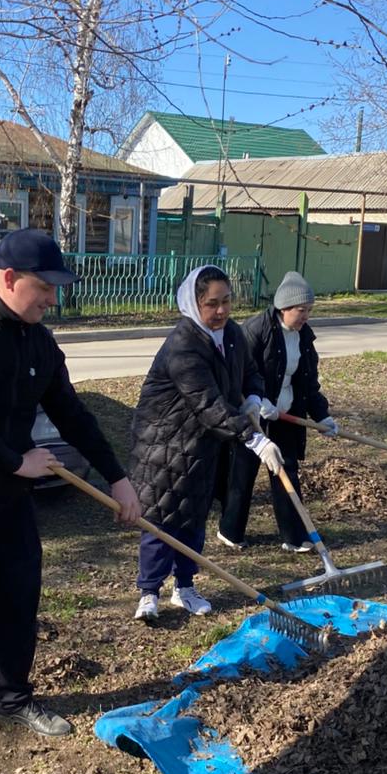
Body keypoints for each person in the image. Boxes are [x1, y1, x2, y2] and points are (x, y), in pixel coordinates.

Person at [0, 228, 141, 738]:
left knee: (18, 603)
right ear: (9, 278)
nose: (54, 299)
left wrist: (118, 478)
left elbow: (72, 413)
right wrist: (18, 461)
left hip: (7, 505)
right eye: (45, 287)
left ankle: (12, 699)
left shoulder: (38, 339)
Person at [129, 264, 283, 623]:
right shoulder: (184, 345)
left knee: (194, 517)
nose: (222, 310)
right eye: (212, 304)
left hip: (203, 444)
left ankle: (184, 588)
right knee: (162, 519)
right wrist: (254, 439)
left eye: (227, 301)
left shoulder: (231, 334)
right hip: (162, 446)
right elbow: (206, 403)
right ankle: (149, 592)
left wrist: (255, 398)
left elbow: (250, 372)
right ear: (193, 303)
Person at [217, 270, 338, 553]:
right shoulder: (256, 330)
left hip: (286, 414)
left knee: (287, 471)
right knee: (242, 472)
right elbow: (237, 373)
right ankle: (230, 531)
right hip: (253, 413)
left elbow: (308, 383)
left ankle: (294, 537)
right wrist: (255, 401)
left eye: (309, 310)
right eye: (301, 310)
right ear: (284, 308)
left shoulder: (304, 336)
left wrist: (323, 416)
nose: (306, 315)